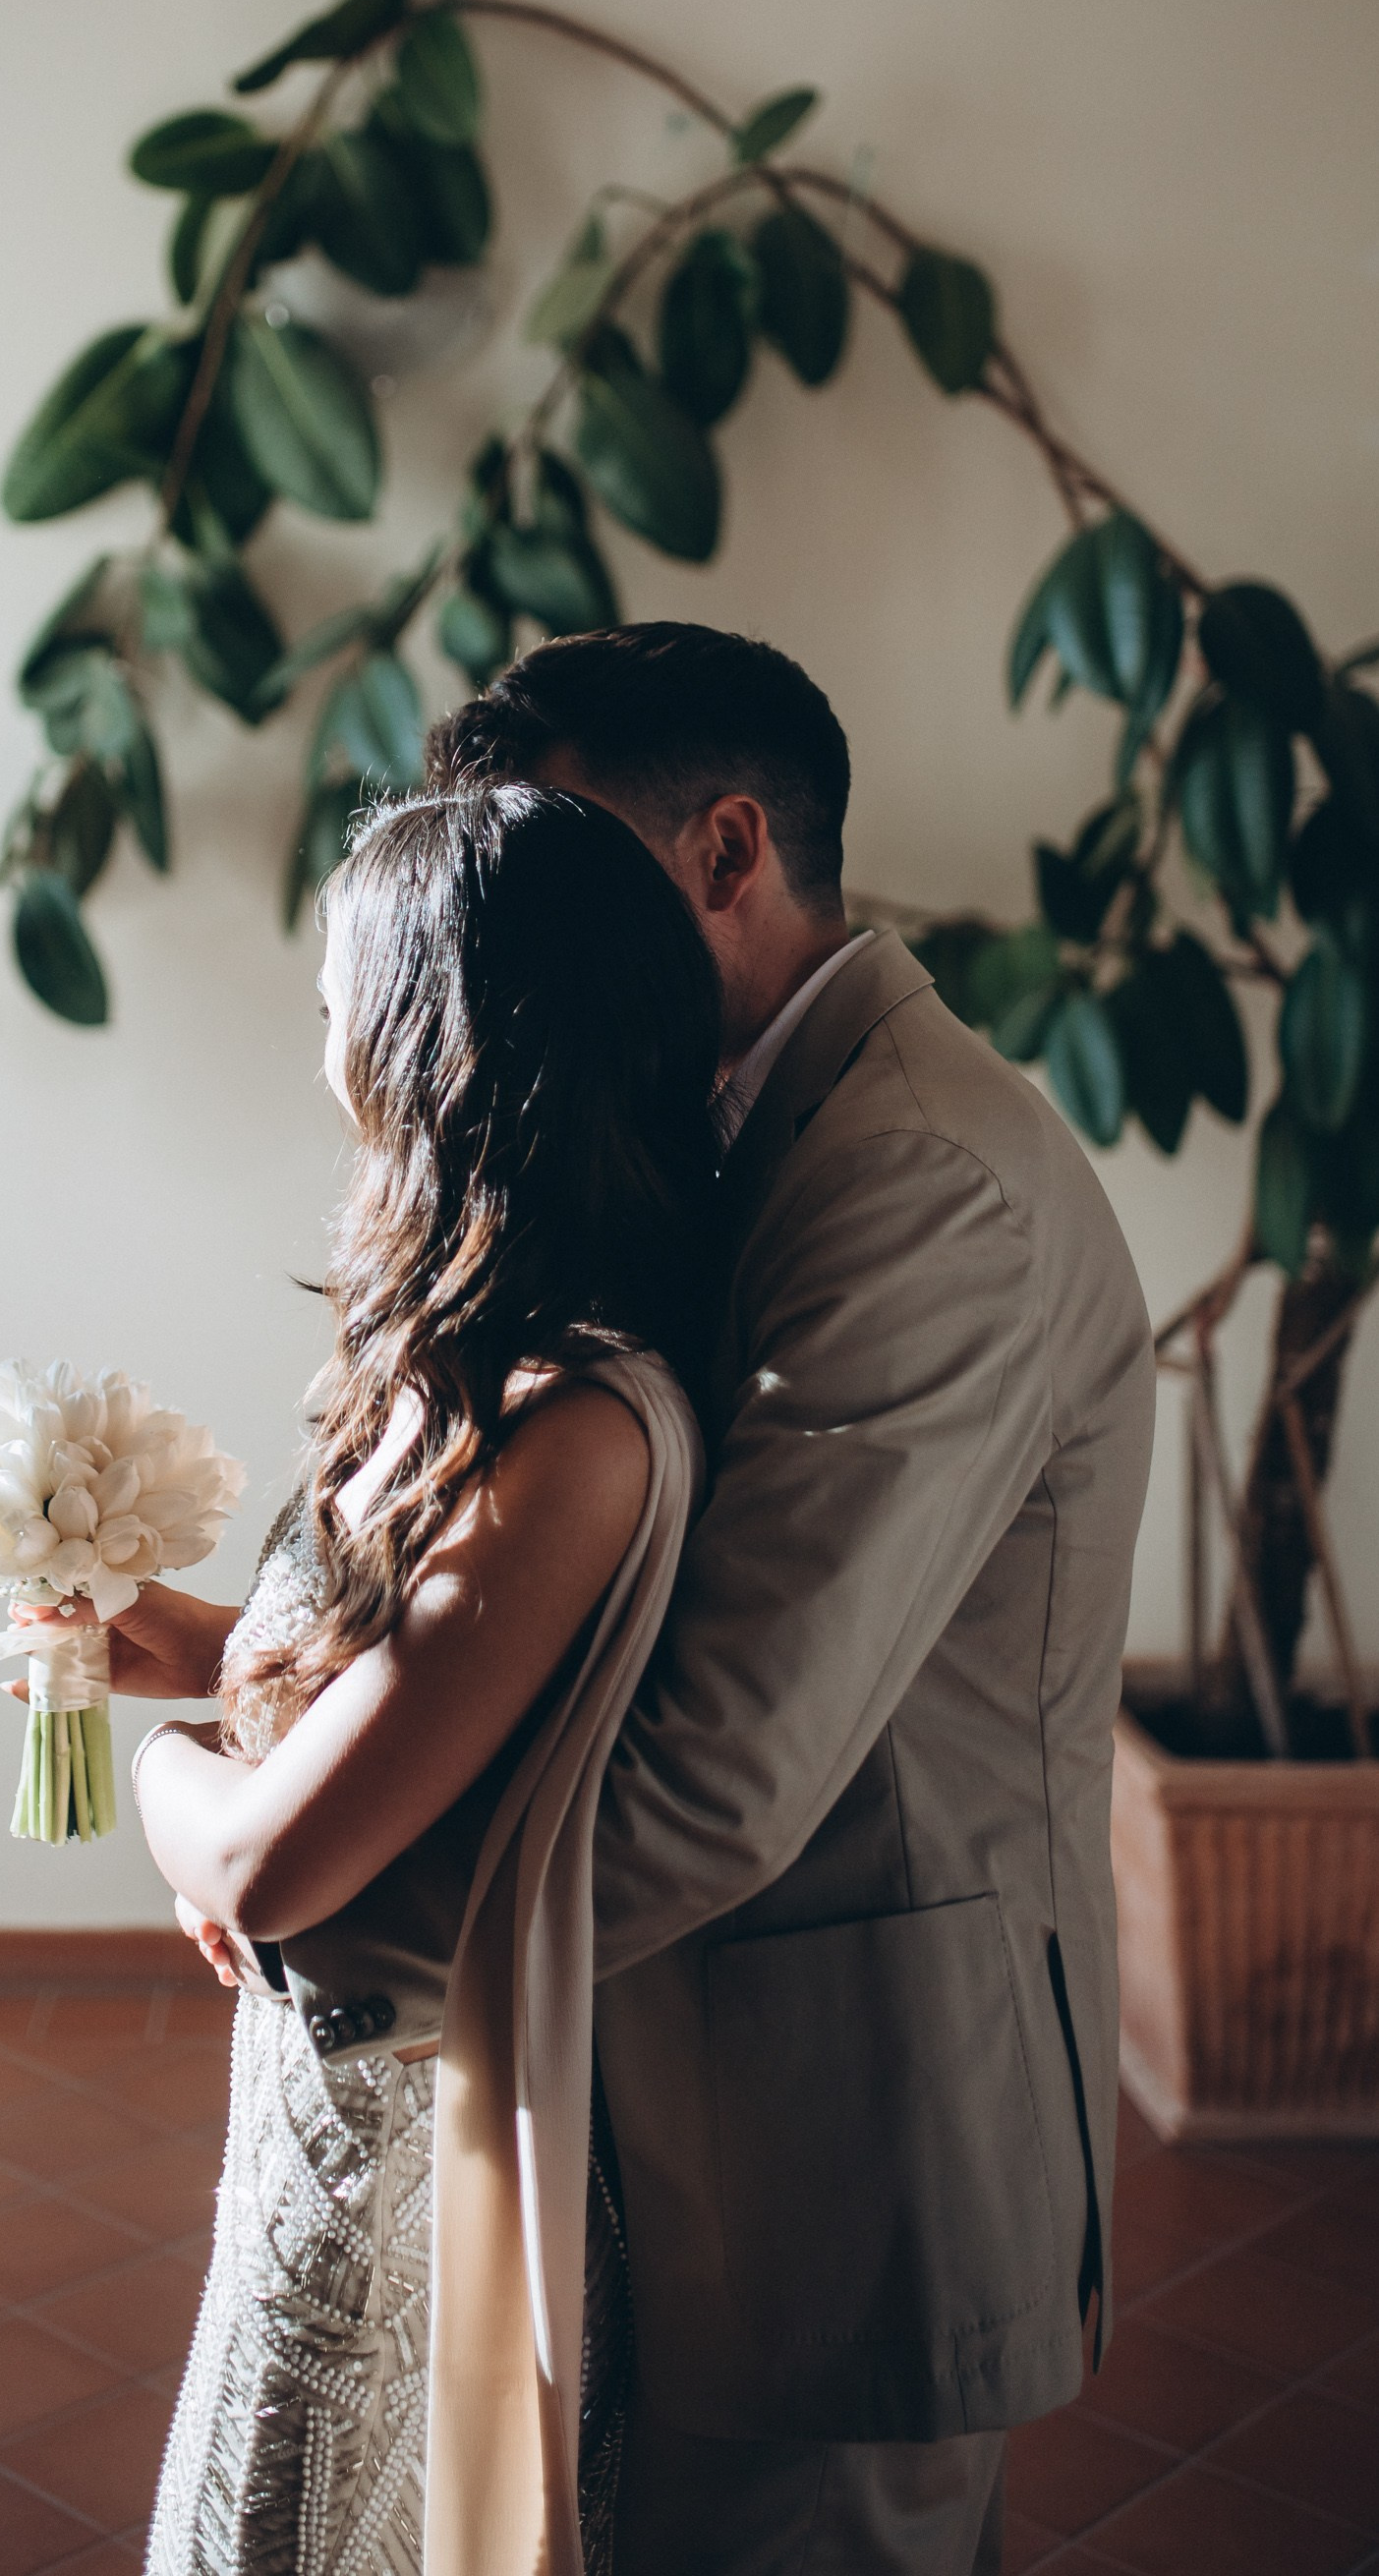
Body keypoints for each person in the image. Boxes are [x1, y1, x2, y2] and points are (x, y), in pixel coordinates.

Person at [277, 624, 1157, 2576]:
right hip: (715, 2084)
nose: (537, 926)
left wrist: (314, 1895)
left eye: (576, 858)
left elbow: (722, 1775)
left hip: (846, 2118)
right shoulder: (756, 1120)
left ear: (727, 850)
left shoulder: (919, 1179)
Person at [104, 781, 727, 2576]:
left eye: (332, 1005)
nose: (320, 1052)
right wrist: (204, 1648)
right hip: (318, 2094)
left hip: (409, 2140)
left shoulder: (584, 1427)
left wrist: (166, 1774)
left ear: (433, 1042)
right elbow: (428, 1712)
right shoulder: (494, 1371)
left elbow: (270, 1865)